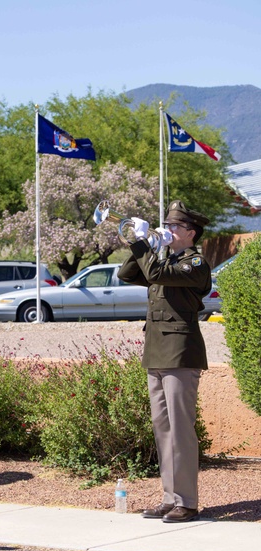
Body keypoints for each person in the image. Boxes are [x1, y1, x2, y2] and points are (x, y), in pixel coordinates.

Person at [118, 200, 211, 523]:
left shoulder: (195, 263)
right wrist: (140, 244)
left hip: (181, 352)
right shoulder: (164, 259)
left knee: (181, 429)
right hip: (157, 351)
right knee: (163, 429)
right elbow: (127, 273)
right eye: (167, 226)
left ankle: (187, 501)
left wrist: (147, 244)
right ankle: (170, 497)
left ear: (190, 233)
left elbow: (157, 273)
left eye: (174, 227)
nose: (168, 230)